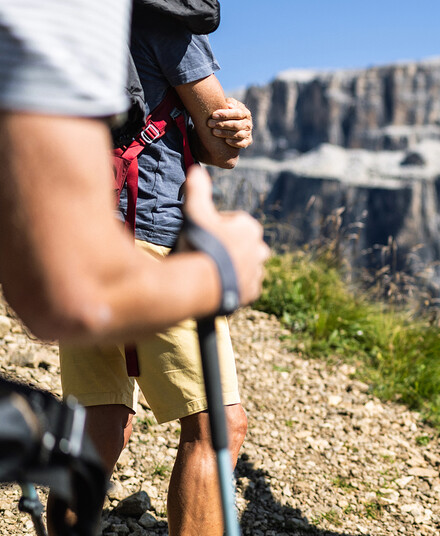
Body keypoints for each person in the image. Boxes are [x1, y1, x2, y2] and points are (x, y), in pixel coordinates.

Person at [53, 4, 254, 535]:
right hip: (150, 243)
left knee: (99, 423)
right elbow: (221, 145)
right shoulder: (169, 24)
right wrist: (237, 129)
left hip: (78, 241)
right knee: (216, 426)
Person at [0, 0, 269, 344]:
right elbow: (223, 150)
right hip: (161, 242)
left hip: (83, 230)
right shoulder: (171, 23)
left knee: (98, 397)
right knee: (206, 400)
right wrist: (218, 274)